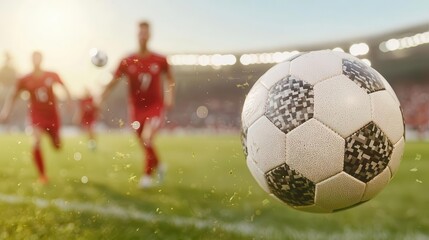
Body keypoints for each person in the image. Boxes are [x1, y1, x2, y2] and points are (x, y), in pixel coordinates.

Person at [100, 21, 175, 189]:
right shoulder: (127, 60)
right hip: (136, 109)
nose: (143, 35)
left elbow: (170, 80)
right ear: (137, 35)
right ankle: (160, 166)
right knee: (143, 141)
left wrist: (169, 97)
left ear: (150, 35)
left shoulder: (160, 59)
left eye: (145, 32)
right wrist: (102, 97)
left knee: (147, 138)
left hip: (155, 106)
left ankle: (147, 177)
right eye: (140, 32)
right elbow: (113, 81)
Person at [0, 51, 72, 184]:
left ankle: (55, 139)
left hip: (52, 115)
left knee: (57, 146)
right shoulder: (25, 79)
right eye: (34, 58)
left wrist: (69, 101)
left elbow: (64, 86)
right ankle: (42, 176)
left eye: (38, 58)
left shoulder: (52, 75)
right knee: (36, 140)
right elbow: (13, 95)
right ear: (31, 60)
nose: (36, 60)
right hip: (36, 114)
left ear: (42, 60)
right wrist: (5, 111)